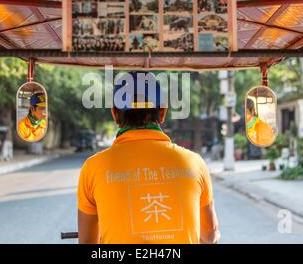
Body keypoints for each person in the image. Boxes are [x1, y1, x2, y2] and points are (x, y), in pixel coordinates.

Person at [77, 71, 220, 244]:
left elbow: (87, 242)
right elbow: (209, 236)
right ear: (162, 112)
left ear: (115, 114)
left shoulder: (93, 167)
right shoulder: (195, 163)